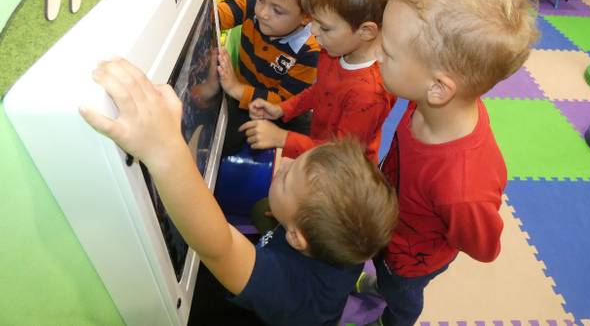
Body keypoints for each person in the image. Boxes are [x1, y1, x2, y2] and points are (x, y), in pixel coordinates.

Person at [79, 58, 399, 326]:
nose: (284, 165)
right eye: (295, 162)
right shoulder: (349, 237)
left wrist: (163, 149)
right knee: (261, 210)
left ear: (297, 237)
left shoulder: (290, 290)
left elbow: (220, 247)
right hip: (299, 262)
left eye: (287, 179)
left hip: (266, 313)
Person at [358, 0, 540, 326]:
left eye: (387, 51)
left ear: (439, 87)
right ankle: (382, 284)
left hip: (410, 261)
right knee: (383, 269)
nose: (375, 52)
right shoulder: (429, 100)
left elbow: (484, 247)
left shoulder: (462, 188)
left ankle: (393, 317)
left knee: (402, 295)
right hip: (390, 228)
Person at [241, 0, 405, 163]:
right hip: (319, 151)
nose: (314, 32)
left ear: (366, 31)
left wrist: (283, 138)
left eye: (325, 27)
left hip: (341, 172)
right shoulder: (334, 50)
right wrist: (282, 109)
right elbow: (320, 90)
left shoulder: (369, 93)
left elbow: (341, 155)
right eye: (314, 21)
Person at [184, 0, 322, 156]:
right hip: (244, 95)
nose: (262, 12)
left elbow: (283, 102)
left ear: (306, 16)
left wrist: (236, 89)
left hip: (278, 111)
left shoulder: (310, 51)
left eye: (277, 10)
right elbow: (210, 17)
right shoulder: (251, 5)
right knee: (217, 135)